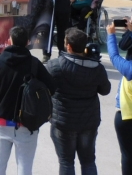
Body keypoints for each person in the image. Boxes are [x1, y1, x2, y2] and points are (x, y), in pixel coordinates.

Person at [0, 26, 55, 175]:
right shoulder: (34, 64)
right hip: (26, 125)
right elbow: (52, 87)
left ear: (9, 40)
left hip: (1, 124)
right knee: (24, 169)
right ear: (28, 42)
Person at [45, 27, 110, 175]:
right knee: (88, 161)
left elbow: (46, 89)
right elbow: (105, 90)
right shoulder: (97, 68)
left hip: (64, 122)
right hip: (88, 122)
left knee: (66, 162)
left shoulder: (55, 66)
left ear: (68, 46)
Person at [107, 21, 132, 175]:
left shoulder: (131, 70)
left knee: (128, 155)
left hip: (126, 118)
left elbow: (114, 56)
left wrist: (111, 35)